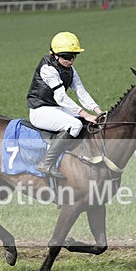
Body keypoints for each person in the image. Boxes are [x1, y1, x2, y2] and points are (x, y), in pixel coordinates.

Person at [26, 31, 103, 178]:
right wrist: (85, 114)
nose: (71, 60)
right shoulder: (47, 69)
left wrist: (98, 111)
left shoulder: (70, 70)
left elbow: (81, 92)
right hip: (40, 110)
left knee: (84, 122)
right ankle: (46, 163)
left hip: (56, 108)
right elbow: (61, 97)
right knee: (76, 125)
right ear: (55, 55)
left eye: (74, 56)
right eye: (67, 57)